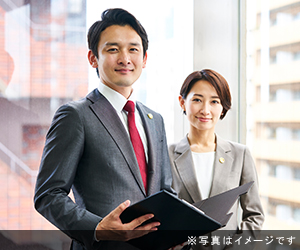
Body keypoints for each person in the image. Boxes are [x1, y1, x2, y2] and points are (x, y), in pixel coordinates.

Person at [34, 8, 174, 250]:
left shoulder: (155, 120)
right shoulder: (76, 115)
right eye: (113, 49)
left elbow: (166, 191)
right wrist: (96, 228)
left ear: (145, 58)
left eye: (133, 49)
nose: (125, 58)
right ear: (93, 58)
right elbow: (48, 195)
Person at [168, 69, 264, 250]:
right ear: (183, 103)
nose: (205, 110)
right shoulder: (167, 154)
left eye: (214, 101)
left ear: (223, 108)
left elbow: (254, 215)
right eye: (197, 100)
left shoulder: (240, 154)